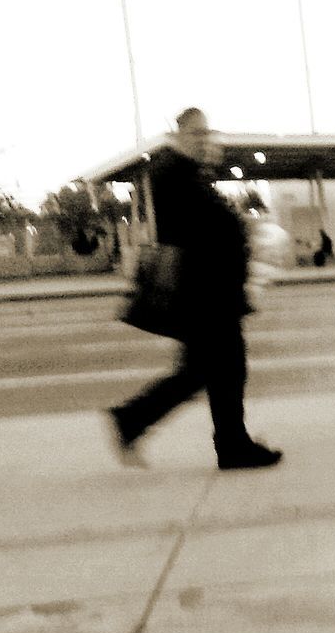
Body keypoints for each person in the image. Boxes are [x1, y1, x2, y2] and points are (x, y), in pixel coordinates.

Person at [106, 107, 282, 471]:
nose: (205, 140)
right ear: (179, 136)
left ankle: (137, 421)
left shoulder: (187, 173)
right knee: (221, 369)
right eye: (197, 134)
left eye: (207, 133)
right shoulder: (170, 173)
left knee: (210, 371)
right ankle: (226, 445)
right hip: (204, 296)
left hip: (212, 294)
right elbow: (209, 223)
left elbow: (216, 221)